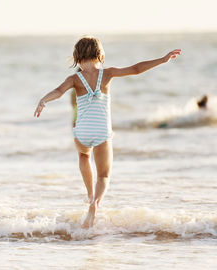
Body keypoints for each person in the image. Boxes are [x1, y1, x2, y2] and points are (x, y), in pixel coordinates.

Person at [34, 35, 181, 228]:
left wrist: (43, 100)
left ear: (77, 58)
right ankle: (95, 202)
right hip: (102, 130)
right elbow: (136, 69)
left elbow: (58, 91)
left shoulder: (74, 79)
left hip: (83, 131)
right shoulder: (108, 74)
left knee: (83, 156)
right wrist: (162, 60)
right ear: (100, 55)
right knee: (103, 175)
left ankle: (88, 194)